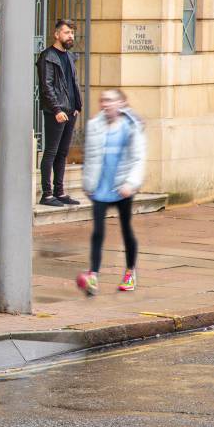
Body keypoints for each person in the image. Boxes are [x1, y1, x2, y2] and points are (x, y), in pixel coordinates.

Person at [76, 88, 145, 296]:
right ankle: (93, 276)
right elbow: (90, 157)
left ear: (121, 103)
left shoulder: (131, 127)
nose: (106, 104)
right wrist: (88, 184)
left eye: (111, 100)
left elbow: (138, 158)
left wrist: (131, 184)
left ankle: (130, 272)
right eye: (103, 100)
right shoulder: (94, 126)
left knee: (126, 230)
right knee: (98, 232)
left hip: (122, 186)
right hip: (101, 187)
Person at [36, 18, 83, 208]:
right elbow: (47, 86)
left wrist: (77, 106)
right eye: (66, 32)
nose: (70, 36)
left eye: (72, 32)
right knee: (51, 152)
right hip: (56, 112)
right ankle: (46, 195)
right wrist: (56, 109)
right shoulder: (48, 57)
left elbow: (73, 83)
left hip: (70, 112)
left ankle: (59, 191)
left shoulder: (69, 57)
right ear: (56, 35)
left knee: (63, 153)